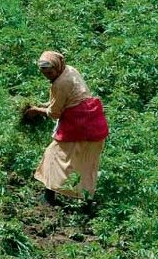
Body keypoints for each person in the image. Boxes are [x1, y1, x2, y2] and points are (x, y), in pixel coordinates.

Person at [25, 51, 109, 209]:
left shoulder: (60, 83)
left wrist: (35, 110)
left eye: (50, 73)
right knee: (86, 160)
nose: (48, 76)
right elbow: (65, 100)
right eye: (44, 74)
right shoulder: (70, 70)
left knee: (53, 155)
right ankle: (87, 200)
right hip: (94, 120)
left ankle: (48, 197)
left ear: (57, 67)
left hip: (79, 123)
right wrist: (43, 105)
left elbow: (55, 113)